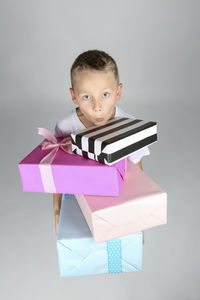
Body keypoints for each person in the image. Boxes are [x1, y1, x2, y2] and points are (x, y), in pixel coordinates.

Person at [53, 49, 150, 234]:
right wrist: (57, 211)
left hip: (119, 207)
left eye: (105, 95)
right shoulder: (66, 127)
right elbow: (58, 174)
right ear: (74, 96)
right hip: (79, 207)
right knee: (87, 248)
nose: (97, 107)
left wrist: (139, 215)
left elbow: (137, 174)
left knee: (119, 251)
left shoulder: (129, 129)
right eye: (86, 97)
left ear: (118, 92)